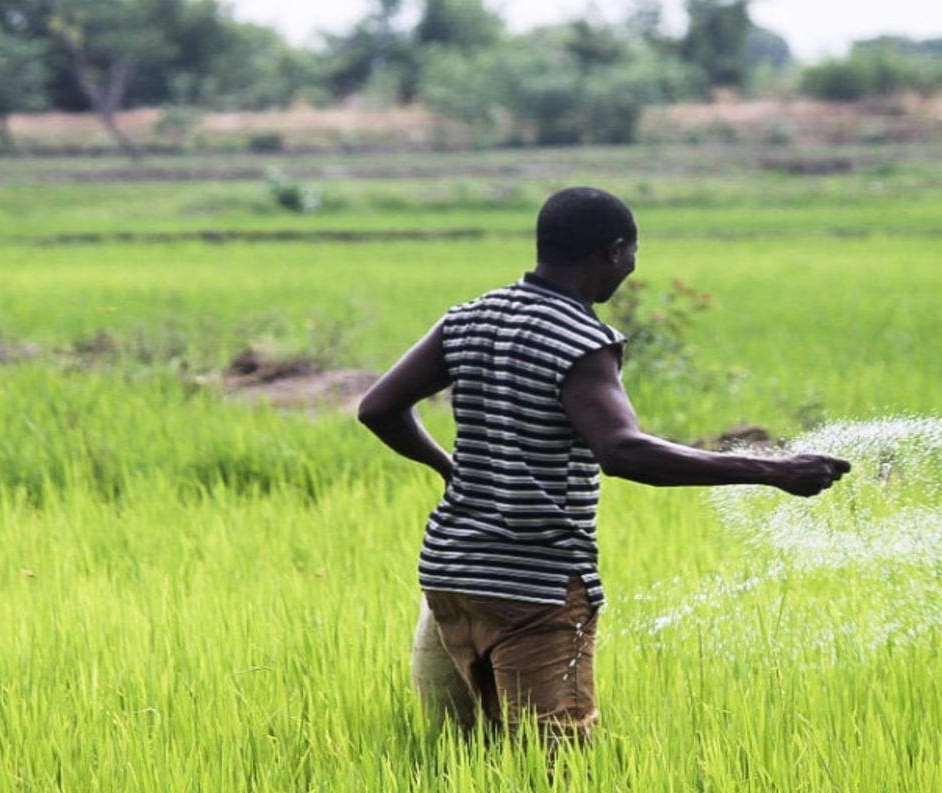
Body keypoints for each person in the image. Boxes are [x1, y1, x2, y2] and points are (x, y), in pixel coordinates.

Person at [357, 186, 850, 746]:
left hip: (453, 572)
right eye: (633, 253)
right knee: (557, 761)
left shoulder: (472, 317)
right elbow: (622, 451)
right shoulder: (581, 340)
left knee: (481, 754)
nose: (632, 266)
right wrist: (771, 471)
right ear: (613, 253)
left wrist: (450, 470)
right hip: (533, 585)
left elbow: (378, 407)